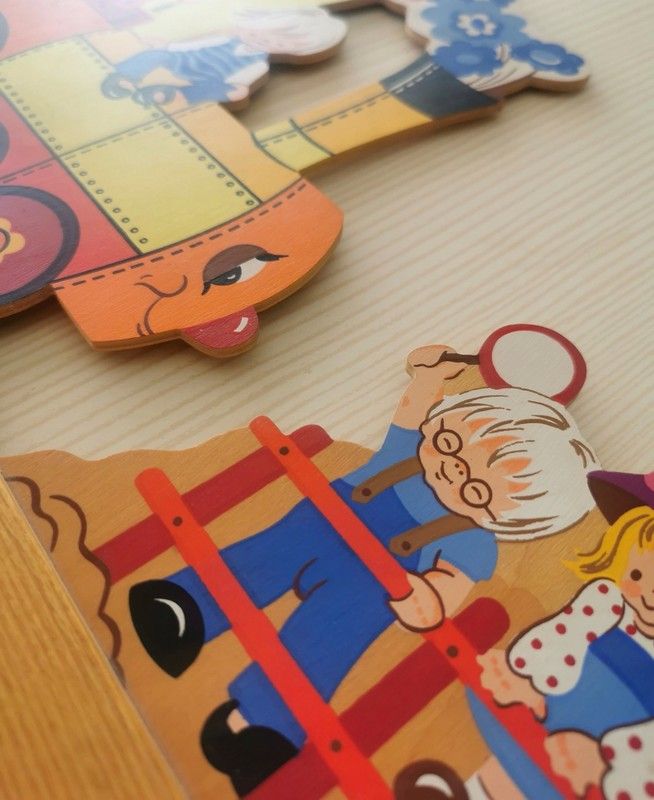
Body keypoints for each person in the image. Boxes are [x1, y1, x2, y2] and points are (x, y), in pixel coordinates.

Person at [129, 344, 598, 795]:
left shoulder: (473, 541)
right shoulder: (405, 451)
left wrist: (427, 600)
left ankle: (258, 726)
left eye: (477, 490)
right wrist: (429, 375)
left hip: (368, 591)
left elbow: (448, 587)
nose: (453, 471)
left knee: (321, 647)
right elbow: (413, 410)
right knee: (255, 561)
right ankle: (183, 609)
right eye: (450, 443)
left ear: (506, 519)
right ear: (443, 422)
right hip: (317, 526)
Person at [478, 471, 654, 800]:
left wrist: (604, 758)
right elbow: (559, 637)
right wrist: (528, 682)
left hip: (599, 764)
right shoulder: (606, 602)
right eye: (636, 574)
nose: (646, 593)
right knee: (497, 771)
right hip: (540, 711)